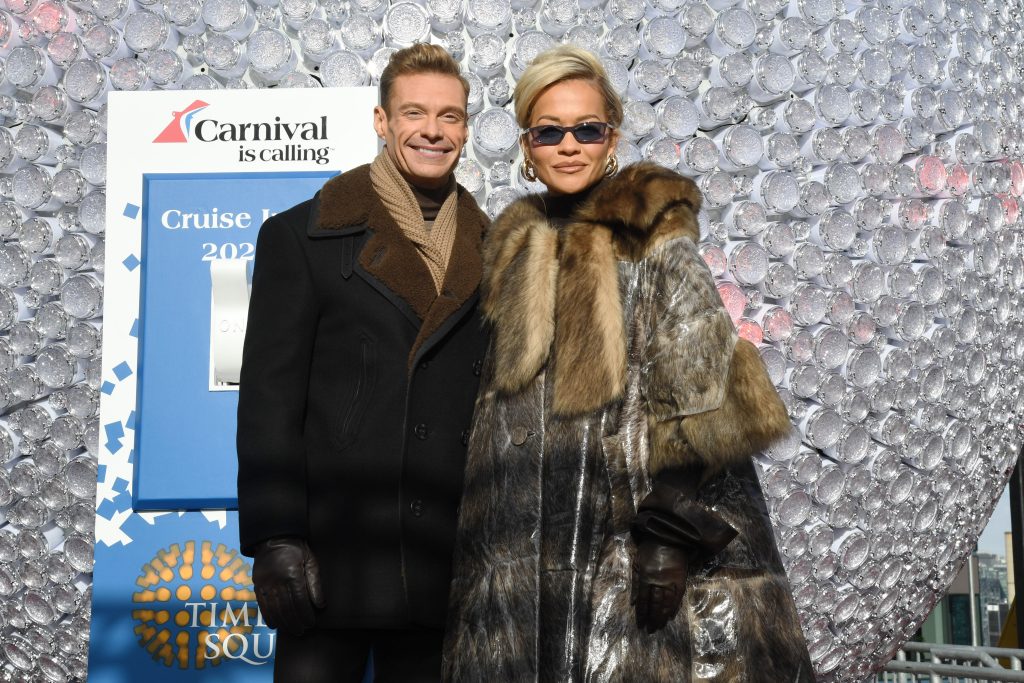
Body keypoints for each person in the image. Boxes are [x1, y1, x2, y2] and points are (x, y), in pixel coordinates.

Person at [443, 45, 814, 682]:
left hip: (630, 543)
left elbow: (706, 392)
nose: (568, 146)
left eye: (586, 130)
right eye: (549, 132)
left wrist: (667, 532)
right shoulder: (510, 250)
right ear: (528, 147)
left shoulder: (654, 237)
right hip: (520, 551)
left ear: (611, 137)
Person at [236, 43, 489, 683]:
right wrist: (276, 536)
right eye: (414, 113)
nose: (433, 131)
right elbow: (268, 401)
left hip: (448, 560)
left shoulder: (498, 251)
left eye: (450, 116)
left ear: (465, 129)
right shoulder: (303, 237)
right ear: (382, 121)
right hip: (334, 557)